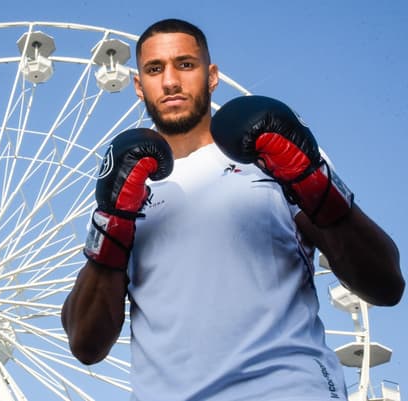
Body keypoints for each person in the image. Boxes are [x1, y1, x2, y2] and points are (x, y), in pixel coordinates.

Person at [61, 18, 404, 401]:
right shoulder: (130, 185)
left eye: (185, 65)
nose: (171, 81)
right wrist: (111, 225)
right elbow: (85, 345)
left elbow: (386, 284)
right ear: (139, 87)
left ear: (212, 76)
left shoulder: (268, 155)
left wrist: (314, 183)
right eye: (155, 69)